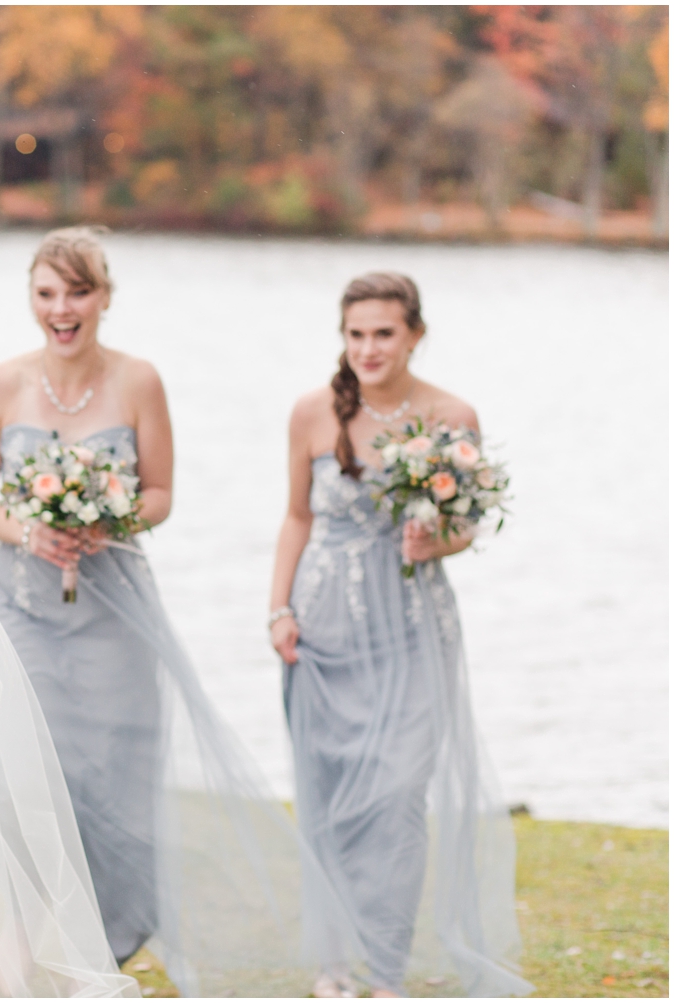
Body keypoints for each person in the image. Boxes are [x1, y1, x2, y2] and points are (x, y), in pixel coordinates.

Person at [0, 228, 336, 995]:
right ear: (32, 298)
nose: (62, 310)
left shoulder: (139, 381)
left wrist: (108, 519)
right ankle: (18, 959)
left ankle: (103, 947)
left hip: (115, 611)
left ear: (104, 297)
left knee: (115, 779)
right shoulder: (2, 383)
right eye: (47, 294)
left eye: (78, 293)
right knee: (25, 777)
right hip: (24, 608)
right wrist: (30, 528)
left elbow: (160, 493)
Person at [268, 272, 531, 997]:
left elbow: (466, 523)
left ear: (415, 333)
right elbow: (297, 516)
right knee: (331, 796)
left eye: (383, 333)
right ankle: (334, 965)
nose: (368, 348)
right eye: (355, 334)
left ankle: (385, 970)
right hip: (325, 626)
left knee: (397, 796)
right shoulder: (311, 412)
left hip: (414, 625)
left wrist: (436, 543)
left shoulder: (452, 414)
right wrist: (277, 609)